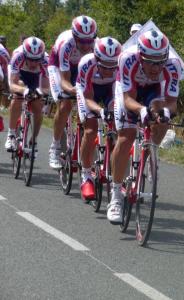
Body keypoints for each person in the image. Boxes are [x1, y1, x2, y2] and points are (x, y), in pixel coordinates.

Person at [108, 29, 182, 224]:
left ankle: (150, 154)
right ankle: (115, 196)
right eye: (150, 61)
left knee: (162, 118)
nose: (156, 67)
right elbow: (128, 99)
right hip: (129, 91)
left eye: (160, 61)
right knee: (126, 137)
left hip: (153, 91)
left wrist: (166, 112)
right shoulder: (127, 58)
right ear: (141, 56)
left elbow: (171, 102)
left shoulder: (174, 65)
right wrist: (141, 110)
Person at [48, 15, 97, 169]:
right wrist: (72, 90)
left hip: (80, 67)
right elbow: (64, 80)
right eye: (81, 41)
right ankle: (55, 147)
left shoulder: (97, 46)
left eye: (89, 40)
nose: (85, 45)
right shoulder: (65, 44)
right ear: (74, 36)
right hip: (59, 67)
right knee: (65, 104)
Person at [76, 37, 121, 201]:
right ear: (96, 59)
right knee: (90, 129)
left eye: (113, 66)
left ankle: (116, 167)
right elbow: (87, 98)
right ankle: (86, 176)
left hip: (110, 90)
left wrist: (114, 112)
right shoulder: (86, 63)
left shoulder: (120, 64)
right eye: (104, 66)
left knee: (118, 124)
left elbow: (119, 95)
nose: (109, 70)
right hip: (89, 91)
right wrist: (100, 111)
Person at [4, 37, 48, 151]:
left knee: (38, 106)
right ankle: (11, 134)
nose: (34, 62)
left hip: (36, 77)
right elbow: (12, 85)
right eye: (30, 59)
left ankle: (34, 140)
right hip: (20, 75)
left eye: (37, 59)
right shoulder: (18, 56)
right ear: (25, 55)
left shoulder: (46, 60)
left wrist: (39, 92)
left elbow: (46, 87)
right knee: (17, 97)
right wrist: (24, 91)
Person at [0, 35, 10, 114]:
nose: (2, 42)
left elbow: (8, 62)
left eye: (3, 40)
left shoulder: (6, 50)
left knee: (6, 88)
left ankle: (5, 105)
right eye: (1, 40)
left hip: (5, 70)